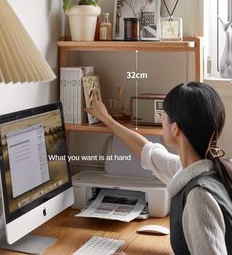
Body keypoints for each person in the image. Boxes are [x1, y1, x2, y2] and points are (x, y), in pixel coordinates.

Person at [85, 82, 232, 255]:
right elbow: (147, 151)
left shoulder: (199, 197)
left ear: (175, 129)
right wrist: (106, 118)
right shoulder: (203, 169)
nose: (161, 118)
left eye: (163, 114)